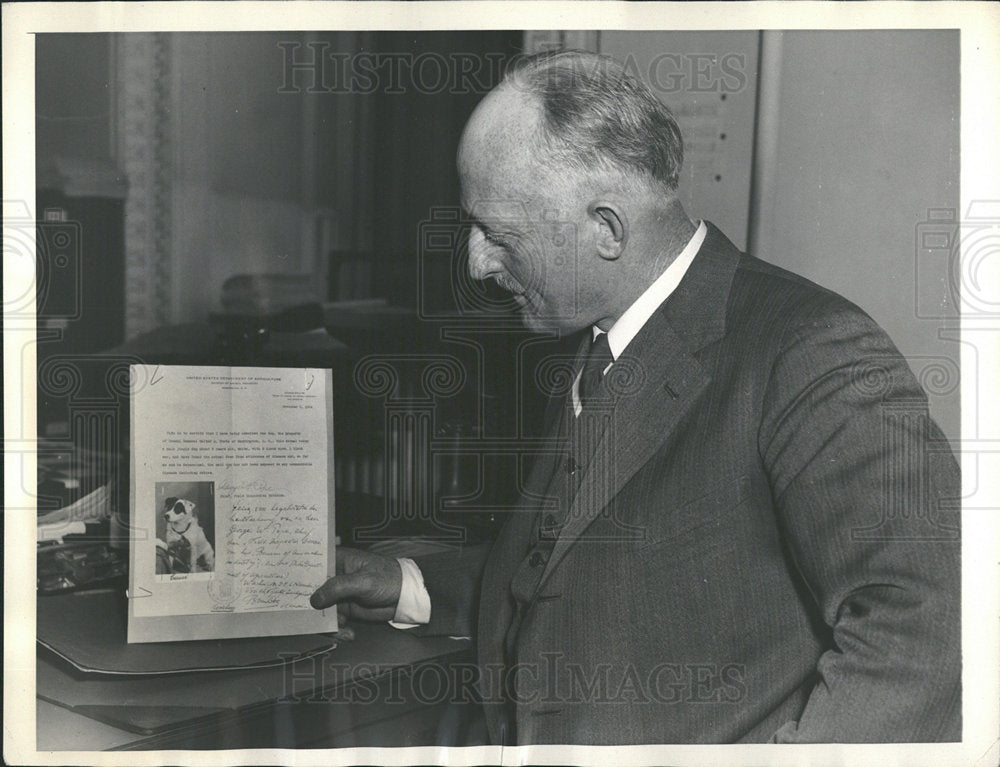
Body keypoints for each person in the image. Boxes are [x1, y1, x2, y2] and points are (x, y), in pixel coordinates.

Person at [311, 51, 961, 744]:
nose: (476, 261)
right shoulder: (592, 339)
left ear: (608, 230)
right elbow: (581, 575)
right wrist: (407, 581)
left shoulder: (811, 351)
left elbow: (932, 623)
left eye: (500, 234)